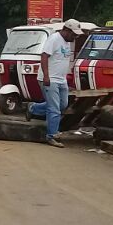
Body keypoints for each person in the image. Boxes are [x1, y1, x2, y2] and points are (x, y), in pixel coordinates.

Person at [28, 18, 82, 148]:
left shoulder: (67, 42)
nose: (75, 37)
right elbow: (44, 56)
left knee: (63, 105)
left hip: (61, 79)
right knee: (54, 109)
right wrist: (46, 76)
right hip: (50, 79)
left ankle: (33, 108)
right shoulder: (54, 39)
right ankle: (52, 136)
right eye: (73, 34)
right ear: (66, 30)